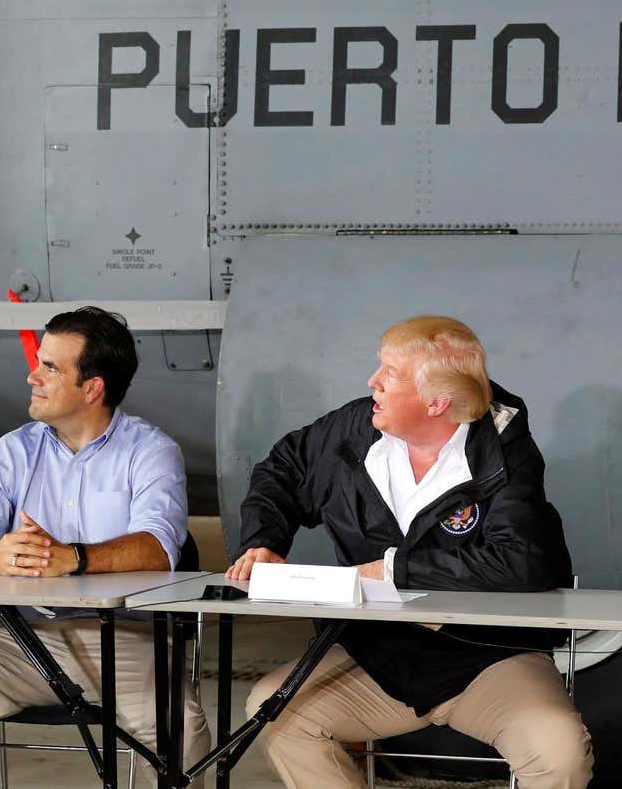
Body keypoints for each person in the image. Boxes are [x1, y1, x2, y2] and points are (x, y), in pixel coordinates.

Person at [226, 315, 591, 788]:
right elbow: (281, 471)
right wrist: (263, 542)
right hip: (378, 657)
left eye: (391, 374)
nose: (372, 382)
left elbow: (523, 560)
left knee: (558, 751)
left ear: (437, 402)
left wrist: (395, 570)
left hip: (488, 659)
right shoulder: (352, 430)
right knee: (274, 713)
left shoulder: (504, 452)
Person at [0, 306, 211, 788]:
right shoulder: (13, 450)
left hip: (127, 640)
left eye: (51, 367)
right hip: (26, 637)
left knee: (178, 725)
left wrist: (74, 558)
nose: (32, 375)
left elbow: (159, 547)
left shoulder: (151, 451)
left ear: (92, 388)